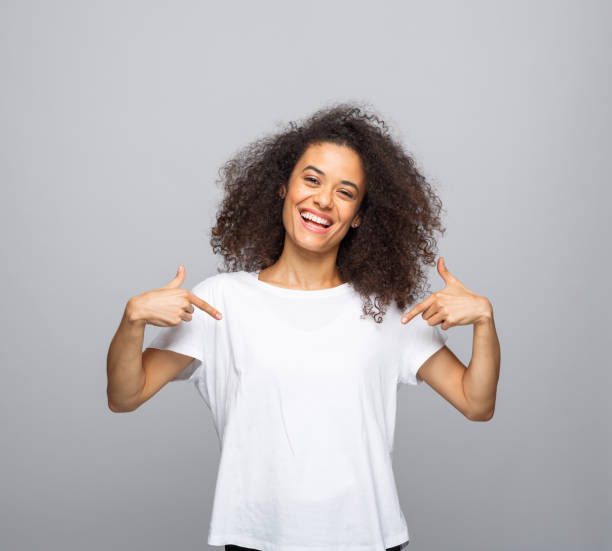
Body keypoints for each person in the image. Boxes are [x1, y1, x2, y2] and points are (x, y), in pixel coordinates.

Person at [106, 102, 500, 551]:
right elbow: (125, 395)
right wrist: (131, 320)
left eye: (345, 192)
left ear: (359, 217)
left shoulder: (385, 311)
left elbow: (476, 402)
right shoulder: (221, 302)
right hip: (253, 540)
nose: (323, 201)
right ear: (283, 187)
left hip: (368, 541)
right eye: (311, 180)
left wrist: (485, 321)